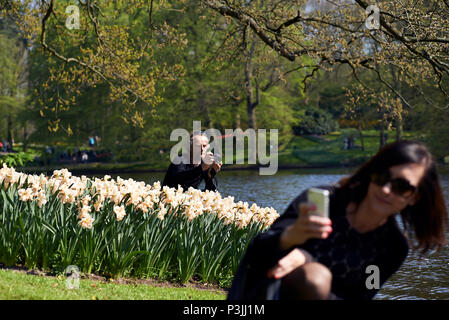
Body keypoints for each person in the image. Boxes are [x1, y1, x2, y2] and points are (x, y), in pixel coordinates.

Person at [228, 140, 448, 300]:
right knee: (315, 278)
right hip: (267, 295)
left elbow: (362, 296)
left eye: (401, 186)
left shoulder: (392, 248)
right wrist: (289, 237)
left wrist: (307, 257)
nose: (386, 189)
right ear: (372, 174)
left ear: (415, 197)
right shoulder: (324, 202)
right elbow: (256, 255)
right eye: (382, 177)